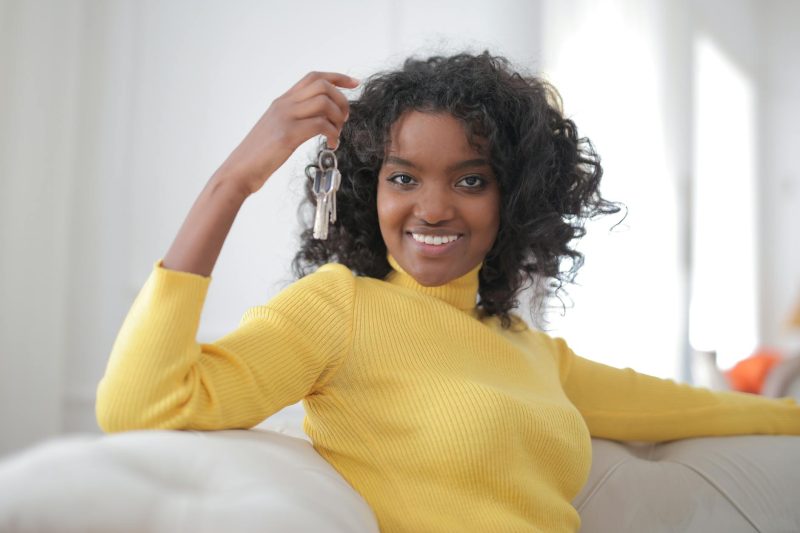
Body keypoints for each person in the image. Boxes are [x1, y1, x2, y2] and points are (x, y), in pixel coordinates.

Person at [96, 51, 800, 532]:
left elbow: (701, 407)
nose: (432, 208)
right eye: (403, 177)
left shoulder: (530, 350)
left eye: (469, 179)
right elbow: (142, 405)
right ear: (368, 188)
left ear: (513, 198)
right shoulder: (340, 307)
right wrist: (233, 181)